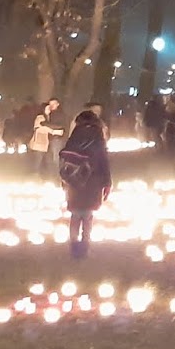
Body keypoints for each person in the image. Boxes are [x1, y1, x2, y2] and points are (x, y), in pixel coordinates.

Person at [59, 110, 112, 259]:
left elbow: (65, 156)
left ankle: (73, 246)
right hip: (93, 180)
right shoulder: (97, 135)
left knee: (75, 215)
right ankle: (84, 246)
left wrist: (65, 179)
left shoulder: (76, 134)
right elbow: (103, 158)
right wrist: (107, 182)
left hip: (74, 180)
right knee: (87, 215)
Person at [28, 99, 64, 178]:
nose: (49, 109)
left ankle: (45, 176)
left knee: (46, 160)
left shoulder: (48, 117)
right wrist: (54, 131)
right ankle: (34, 176)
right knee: (38, 160)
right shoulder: (40, 117)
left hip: (44, 143)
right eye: (47, 108)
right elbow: (40, 128)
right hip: (39, 142)